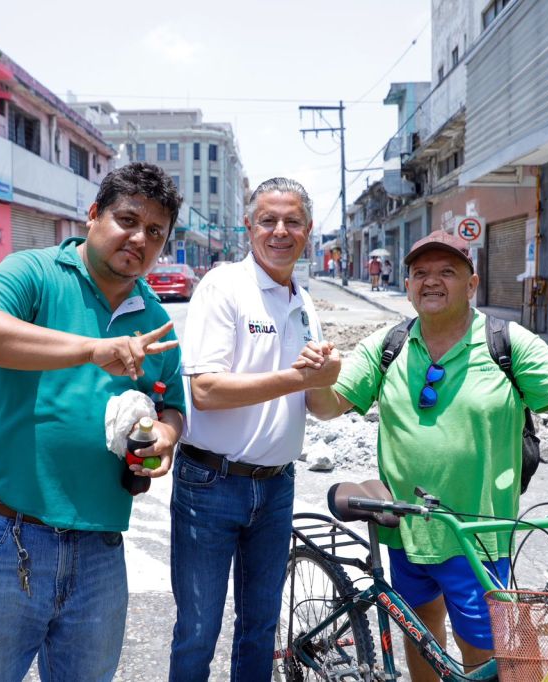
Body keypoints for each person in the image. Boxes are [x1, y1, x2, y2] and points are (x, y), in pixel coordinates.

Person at [304, 230, 548, 682]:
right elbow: (328, 405)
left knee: (484, 652)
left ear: (471, 285)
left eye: (447, 272)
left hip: (478, 536)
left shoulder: (506, 343)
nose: (431, 281)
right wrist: (319, 378)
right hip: (407, 527)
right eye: (420, 273)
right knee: (422, 632)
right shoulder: (388, 345)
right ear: (408, 286)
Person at [0, 162, 186, 681]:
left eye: (155, 231)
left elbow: (173, 404)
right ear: (93, 214)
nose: (139, 239)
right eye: (127, 220)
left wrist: (166, 434)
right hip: (2, 538)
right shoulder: (35, 273)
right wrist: (90, 349)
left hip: (99, 551)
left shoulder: (155, 319)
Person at [169, 177, 341, 681]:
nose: (280, 231)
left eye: (292, 221)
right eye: (268, 220)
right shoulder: (224, 287)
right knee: (198, 629)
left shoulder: (303, 302)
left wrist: (331, 380)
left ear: (309, 230)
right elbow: (205, 390)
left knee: (261, 627)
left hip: (276, 485)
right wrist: (299, 377)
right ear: (249, 226)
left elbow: (317, 402)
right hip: (211, 484)